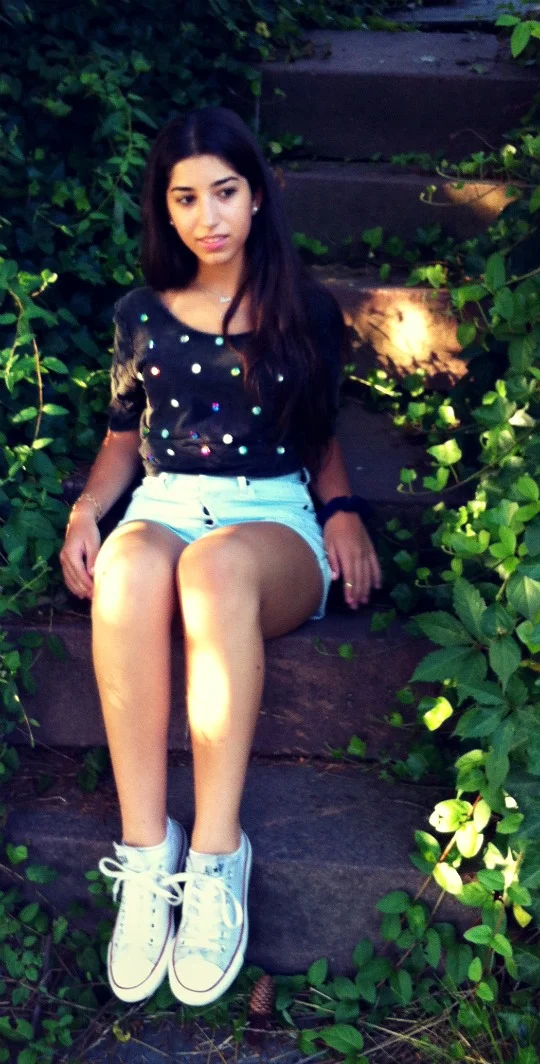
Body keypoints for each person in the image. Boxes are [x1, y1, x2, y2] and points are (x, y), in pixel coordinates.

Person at [59, 105, 382, 1008]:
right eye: (186, 198)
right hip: (165, 503)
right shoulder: (140, 317)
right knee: (129, 570)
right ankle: (146, 854)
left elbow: (319, 435)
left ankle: (214, 857)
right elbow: (122, 440)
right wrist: (88, 511)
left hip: (271, 517)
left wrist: (343, 512)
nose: (208, 216)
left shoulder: (304, 311)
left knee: (214, 569)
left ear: (258, 195)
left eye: (225, 192)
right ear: (164, 209)